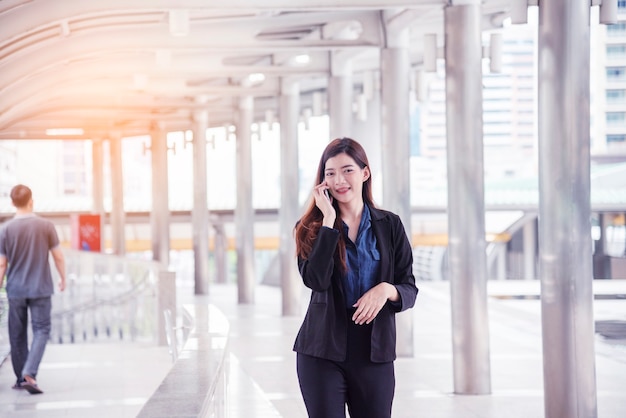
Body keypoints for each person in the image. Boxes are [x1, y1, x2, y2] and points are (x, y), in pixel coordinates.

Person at [293, 137, 418, 418]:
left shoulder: (390, 225)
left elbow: (409, 287)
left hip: (374, 352)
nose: (339, 180)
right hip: (322, 350)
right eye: (330, 173)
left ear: (365, 173)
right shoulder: (309, 229)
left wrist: (386, 290)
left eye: (347, 170)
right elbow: (316, 281)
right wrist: (327, 222)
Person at [0, 184, 66, 394]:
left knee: (17, 334)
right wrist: (63, 277)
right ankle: (30, 372)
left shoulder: (5, 229)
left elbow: (2, 264)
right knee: (42, 330)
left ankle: (22, 378)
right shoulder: (46, 226)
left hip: (15, 290)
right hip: (41, 288)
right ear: (31, 201)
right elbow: (58, 256)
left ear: (12, 202)